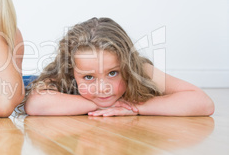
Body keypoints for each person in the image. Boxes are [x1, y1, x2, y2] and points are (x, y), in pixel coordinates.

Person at [23, 17, 214, 116]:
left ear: (127, 66)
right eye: (89, 77)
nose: (103, 88)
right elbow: (35, 104)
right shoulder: (63, 72)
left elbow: (202, 102)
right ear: (72, 73)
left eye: (113, 73)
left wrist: (134, 108)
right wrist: (102, 104)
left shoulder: (139, 69)